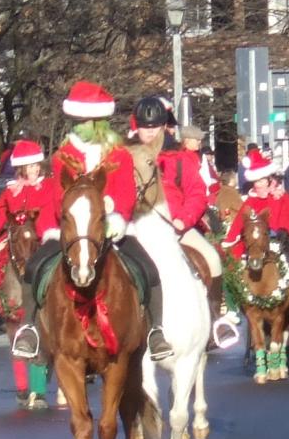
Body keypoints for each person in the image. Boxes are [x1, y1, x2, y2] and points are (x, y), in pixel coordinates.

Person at [10, 81, 173, 363]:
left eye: (85, 120)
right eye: (77, 120)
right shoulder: (63, 156)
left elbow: (124, 190)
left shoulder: (119, 153)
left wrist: (117, 216)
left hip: (112, 226)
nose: (80, 125)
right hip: (73, 228)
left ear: (99, 121)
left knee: (148, 268)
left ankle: (155, 331)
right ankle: (29, 329)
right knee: (35, 267)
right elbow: (60, 194)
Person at [127, 97, 239, 349]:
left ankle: (214, 322)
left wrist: (183, 220)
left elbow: (197, 194)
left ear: (164, 126)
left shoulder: (180, 157)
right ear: (138, 126)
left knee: (212, 258)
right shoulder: (125, 155)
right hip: (135, 228)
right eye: (145, 126)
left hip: (176, 227)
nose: (150, 131)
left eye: (155, 126)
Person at [0, 139, 60, 408]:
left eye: (37, 165)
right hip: (16, 241)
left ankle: (38, 389)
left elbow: (57, 212)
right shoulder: (10, 192)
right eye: (29, 167)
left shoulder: (50, 187)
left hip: (44, 240)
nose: (34, 170)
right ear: (20, 169)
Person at [220, 149, 289, 302]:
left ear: (269, 180)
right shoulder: (250, 201)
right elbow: (240, 222)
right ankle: (239, 295)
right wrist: (230, 239)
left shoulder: (281, 197)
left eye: (262, 181)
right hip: (256, 242)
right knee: (239, 261)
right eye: (257, 181)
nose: (259, 184)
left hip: (279, 240)